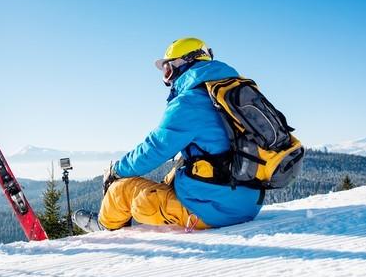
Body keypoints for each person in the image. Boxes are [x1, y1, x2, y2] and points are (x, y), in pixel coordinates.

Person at [72, 37, 263, 233]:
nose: (168, 78)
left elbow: (155, 148)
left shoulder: (190, 101)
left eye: (168, 69)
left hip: (215, 211)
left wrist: (117, 171)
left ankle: (105, 226)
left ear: (184, 63)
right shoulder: (235, 93)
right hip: (249, 202)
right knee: (176, 171)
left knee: (121, 190)